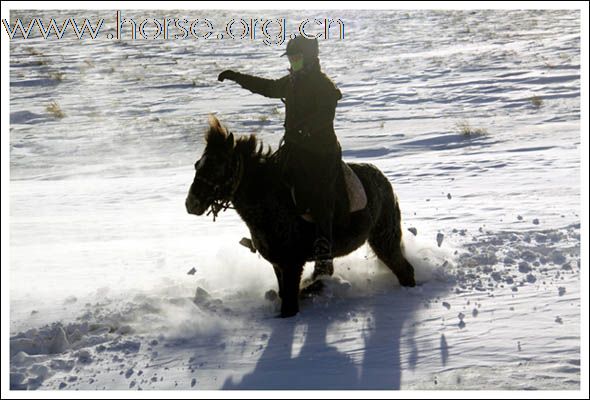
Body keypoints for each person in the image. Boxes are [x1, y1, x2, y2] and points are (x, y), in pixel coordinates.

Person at [218, 36, 343, 273]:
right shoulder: (292, 82)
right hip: (294, 149)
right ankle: (264, 237)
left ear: (309, 59)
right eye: (291, 59)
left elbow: (325, 115)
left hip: (321, 152)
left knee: (318, 192)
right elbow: (268, 88)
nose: (293, 63)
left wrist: (306, 129)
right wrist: (237, 77)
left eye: (297, 59)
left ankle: (324, 247)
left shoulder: (323, 85)